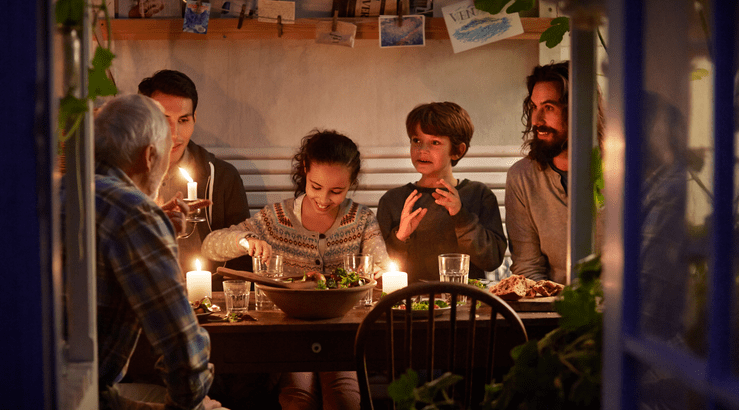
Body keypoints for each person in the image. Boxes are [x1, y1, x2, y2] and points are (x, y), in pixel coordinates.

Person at [202, 129, 388, 410]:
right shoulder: (277, 218)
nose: (324, 199)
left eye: (337, 191)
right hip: (292, 335)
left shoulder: (361, 219)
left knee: (344, 397)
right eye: (316, 186)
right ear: (305, 171)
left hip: (343, 335)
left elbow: (383, 267)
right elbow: (210, 246)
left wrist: (376, 272)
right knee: (297, 398)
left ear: (351, 183)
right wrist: (245, 240)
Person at [78, 94, 220, 409]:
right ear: (149, 155)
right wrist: (189, 402)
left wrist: (159, 226)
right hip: (83, 398)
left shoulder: (63, 190)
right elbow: (183, 353)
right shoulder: (134, 214)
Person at [138, 69, 252, 279]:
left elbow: (242, 261)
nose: (175, 133)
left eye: (183, 120)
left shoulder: (223, 177)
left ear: (194, 118)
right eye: (164, 120)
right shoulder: (125, 176)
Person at [376, 102, 507, 283]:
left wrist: (462, 217)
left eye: (435, 142)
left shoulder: (479, 195)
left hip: (465, 303)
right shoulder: (392, 200)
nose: (422, 150)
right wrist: (400, 237)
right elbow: (379, 269)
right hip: (411, 304)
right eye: (416, 140)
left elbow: (492, 260)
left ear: (457, 151)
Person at [504, 61, 605, 285]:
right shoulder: (522, 177)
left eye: (548, 107)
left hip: (617, 309)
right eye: (534, 107)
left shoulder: (618, 171)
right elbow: (527, 266)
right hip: (554, 308)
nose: (536, 121)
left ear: (580, 109)